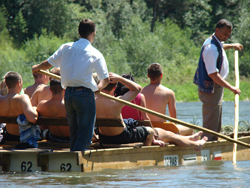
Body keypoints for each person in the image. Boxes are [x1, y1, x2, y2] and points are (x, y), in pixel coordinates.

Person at [32, 19, 109, 151]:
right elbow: (105, 80)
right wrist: (98, 89)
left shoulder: (65, 47)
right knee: (85, 135)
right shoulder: (96, 53)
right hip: (84, 95)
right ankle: (76, 164)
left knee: (74, 134)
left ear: (79, 33)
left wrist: (36, 67)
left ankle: (72, 164)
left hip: (68, 94)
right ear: (93, 33)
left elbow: (47, 64)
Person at [115, 74, 208, 151]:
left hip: (124, 132)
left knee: (170, 135)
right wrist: (153, 136)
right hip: (140, 133)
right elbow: (145, 119)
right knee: (172, 136)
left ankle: (190, 139)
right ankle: (196, 144)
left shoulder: (114, 99)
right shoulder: (139, 97)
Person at [193, 19, 243, 141]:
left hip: (215, 88)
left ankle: (214, 145)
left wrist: (232, 46)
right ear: (217, 30)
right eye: (225, 34)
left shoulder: (216, 42)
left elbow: (220, 47)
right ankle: (207, 147)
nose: (227, 37)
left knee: (216, 121)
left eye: (229, 35)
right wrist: (232, 88)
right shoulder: (211, 47)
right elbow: (213, 74)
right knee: (211, 124)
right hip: (210, 89)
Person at [96, 72, 165, 147]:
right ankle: (145, 156)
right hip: (122, 137)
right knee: (150, 131)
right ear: (114, 88)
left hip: (103, 138)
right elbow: (138, 88)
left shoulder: (93, 101)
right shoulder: (117, 101)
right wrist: (120, 78)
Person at [141, 63, 193, 136]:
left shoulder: (140, 92)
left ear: (148, 76)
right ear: (161, 75)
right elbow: (173, 119)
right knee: (191, 128)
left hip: (146, 128)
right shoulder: (169, 93)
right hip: (163, 129)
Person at [0, 71, 38, 148]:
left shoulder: (1, 100)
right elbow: (32, 119)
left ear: (6, 84)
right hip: (22, 138)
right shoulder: (22, 98)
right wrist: (34, 109)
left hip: (8, 136)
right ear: (19, 83)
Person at [36, 71, 70, 142]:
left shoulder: (42, 105)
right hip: (70, 139)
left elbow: (42, 126)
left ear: (50, 89)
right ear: (64, 89)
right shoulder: (70, 106)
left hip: (53, 138)